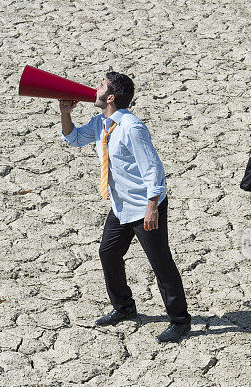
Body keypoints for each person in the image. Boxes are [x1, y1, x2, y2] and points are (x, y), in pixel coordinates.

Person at [59, 72, 191, 342]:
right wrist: (65, 112)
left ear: (110, 97)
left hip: (144, 207)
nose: (92, 88)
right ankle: (124, 307)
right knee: (108, 253)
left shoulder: (132, 127)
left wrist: (152, 207)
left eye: (100, 85)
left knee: (160, 263)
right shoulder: (101, 122)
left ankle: (179, 320)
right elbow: (73, 139)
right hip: (120, 206)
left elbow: (153, 168)